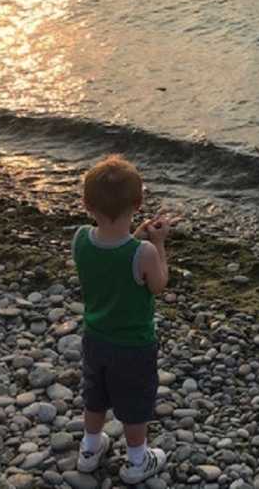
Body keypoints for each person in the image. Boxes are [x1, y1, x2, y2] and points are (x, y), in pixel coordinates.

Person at [72, 154, 170, 483]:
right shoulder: (144, 253)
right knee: (134, 403)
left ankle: (88, 449)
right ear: (139, 202)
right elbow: (157, 285)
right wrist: (157, 243)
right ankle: (138, 460)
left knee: (95, 395)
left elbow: (109, 253)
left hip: (95, 337)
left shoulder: (81, 238)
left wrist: (136, 235)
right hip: (133, 346)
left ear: (86, 204)